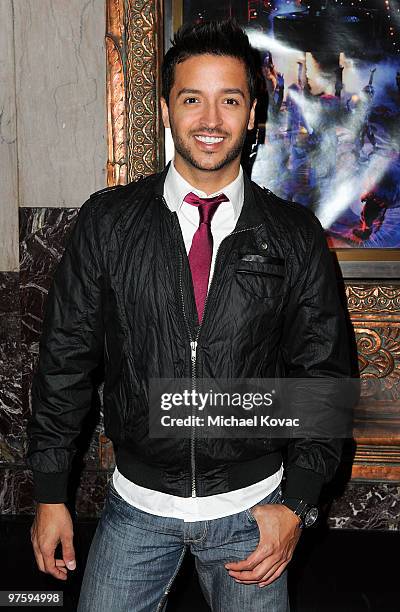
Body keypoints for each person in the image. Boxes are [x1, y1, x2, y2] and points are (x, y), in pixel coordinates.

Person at [27, 19, 352, 612]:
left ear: (252, 113)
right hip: (137, 510)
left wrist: (297, 504)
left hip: (254, 512)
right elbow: (65, 359)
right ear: (166, 110)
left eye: (229, 100)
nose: (210, 120)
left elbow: (323, 376)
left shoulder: (293, 235)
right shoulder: (108, 222)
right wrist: (50, 492)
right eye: (191, 99)